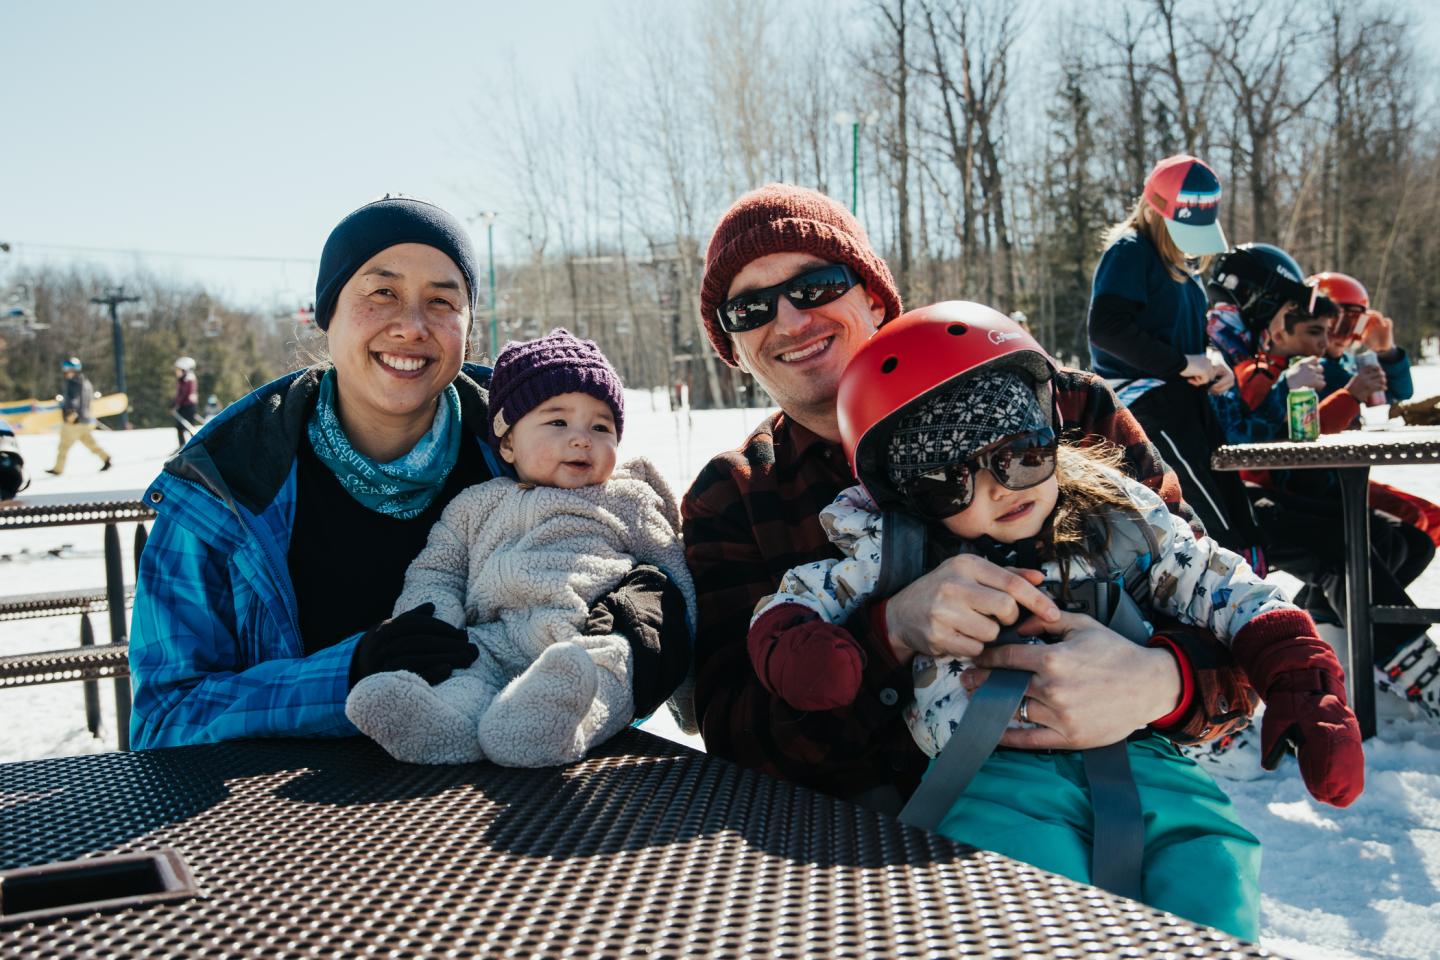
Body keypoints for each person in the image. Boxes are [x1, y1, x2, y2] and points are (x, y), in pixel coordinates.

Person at [749, 303, 1363, 938]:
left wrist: (1302, 681)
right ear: (910, 496)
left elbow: (1229, 588)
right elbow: (799, 603)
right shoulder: (900, 552)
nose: (999, 487)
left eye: (1020, 453)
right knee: (1027, 907)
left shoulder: (1119, 519)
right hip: (992, 773)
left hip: (1146, 754)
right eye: (950, 480)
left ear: (1048, 431)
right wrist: (816, 649)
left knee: (1210, 873)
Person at [683, 183, 1256, 812]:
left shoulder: (1062, 405)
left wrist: (1162, 682)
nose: (790, 321)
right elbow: (739, 743)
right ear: (732, 346)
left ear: (874, 297)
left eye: (814, 286)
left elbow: (1224, 603)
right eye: (750, 309)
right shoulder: (734, 496)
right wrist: (889, 635)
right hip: (883, 858)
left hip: (1131, 803)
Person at [128, 196, 690, 750]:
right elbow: (164, 716)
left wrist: (639, 642)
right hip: (287, 822)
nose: (412, 325)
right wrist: (348, 674)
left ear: (468, 326)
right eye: (382, 292)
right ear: (328, 313)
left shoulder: (536, 438)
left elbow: (585, 655)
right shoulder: (227, 483)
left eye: (442, 302)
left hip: (508, 810)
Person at [345, 329, 695, 767]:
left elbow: (674, 583)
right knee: (464, 680)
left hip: (584, 637)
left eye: (601, 426)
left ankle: (554, 726)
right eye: (557, 421)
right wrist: (433, 627)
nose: (582, 438)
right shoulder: (476, 504)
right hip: (489, 644)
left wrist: (690, 690)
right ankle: (440, 726)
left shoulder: (627, 498)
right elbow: (438, 571)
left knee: (607, 669)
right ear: (508, 441)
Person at [1207, 247, 1439, 723]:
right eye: (1316, 325)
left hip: (1292, 487)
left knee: (1402, 539)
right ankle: (1411, 667)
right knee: (1346, 546)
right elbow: (1254, 439)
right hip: (1229, 500)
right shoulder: (1227, 357)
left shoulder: (1268, 358)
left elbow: (1383, 396)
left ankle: (1335, 655)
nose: (1332, 337)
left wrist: (1382, 357)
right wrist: (1300, 391)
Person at [1087, 155, 1264, 559]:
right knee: (1209, 519)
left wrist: (1211, 362)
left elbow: (1180, 330)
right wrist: (1183, 364)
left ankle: (1256, 592)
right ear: (1154, 210)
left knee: (1236, 509)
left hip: (1187, 400)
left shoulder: (1179, 263)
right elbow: (1107, 328)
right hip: (1149, 405)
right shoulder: (1130, 251)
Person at [46, 357, 112, 475]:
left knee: (63, 446)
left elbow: (74, 399)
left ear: (74, 369)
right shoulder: (86, 382)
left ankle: (58, 469)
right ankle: (106, 458)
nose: (65, 371)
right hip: (85, 420)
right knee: (90, 443)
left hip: (74, 420)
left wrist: (71, 411)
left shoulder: (73, 383)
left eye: (67, 368)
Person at [172, 356, 200, 449]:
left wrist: (176, 403)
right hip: (184, 406)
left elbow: (184, 394)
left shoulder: (188, 379)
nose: (177, 372)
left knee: (189, 427)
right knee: (180, 427)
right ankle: (183, 445)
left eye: (179, 369)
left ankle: (195, 446)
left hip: (188, 407)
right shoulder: (184, 379)